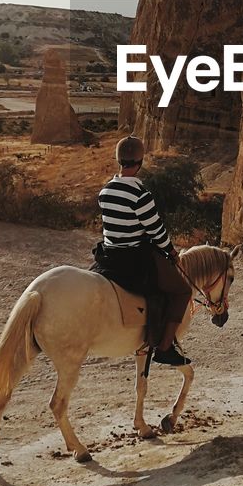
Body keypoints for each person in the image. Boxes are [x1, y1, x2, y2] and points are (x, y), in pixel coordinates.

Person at [94, 135, 193, 366]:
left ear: (118, 160)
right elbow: (157, 232)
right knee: (182, 291)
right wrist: (171, 251)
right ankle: (165, 348)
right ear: (140, 162)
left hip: (108, 255)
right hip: (134, 259)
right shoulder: (141, 195)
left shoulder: (105, 191)